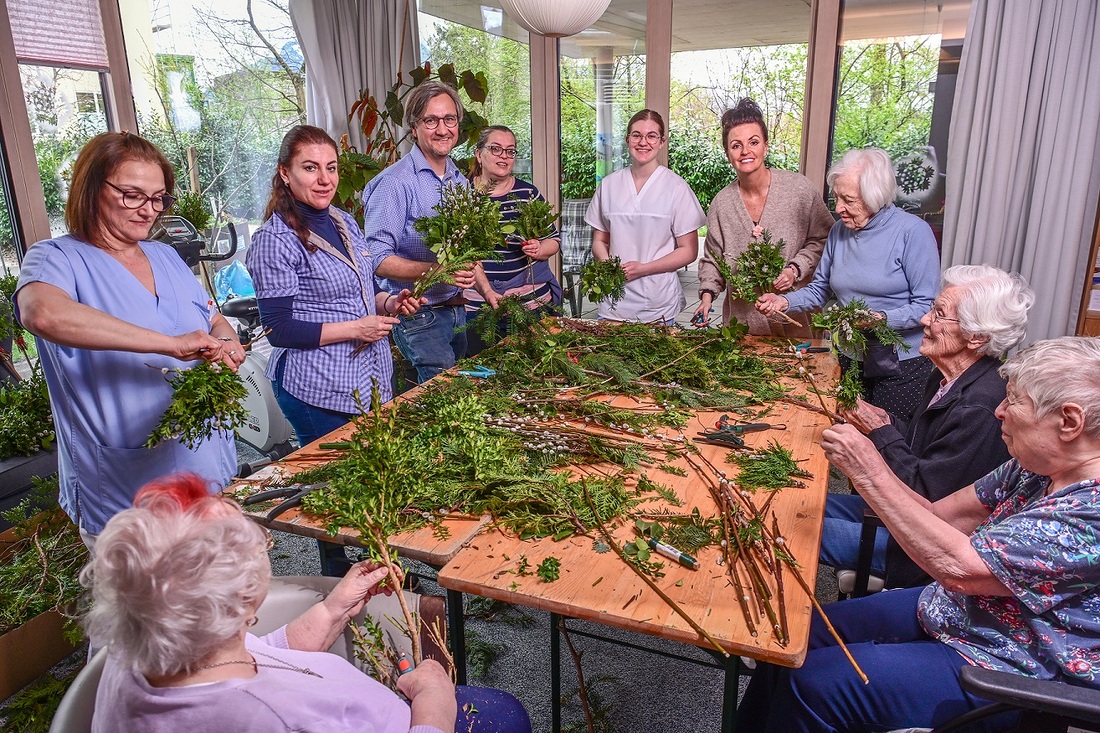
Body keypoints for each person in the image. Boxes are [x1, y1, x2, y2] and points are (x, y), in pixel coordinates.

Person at [739, 336, 1100, 733]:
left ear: (1069, 422)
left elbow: (961, 569)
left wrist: (868, 470)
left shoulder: (1088, 513)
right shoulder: (1034, 468)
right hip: (957, 611)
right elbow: (936, 514)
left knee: (812, 686)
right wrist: (871, 464)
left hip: (1010, 664)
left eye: (1013, 401)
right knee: (790, 640)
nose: (999, 411)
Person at [83, 473, 532, 733]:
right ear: (243, 598)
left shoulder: (152, 639)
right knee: (506, 714)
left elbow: (264, 655)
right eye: (261, 548)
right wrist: (432, 703)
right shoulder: (271, 720)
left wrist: (333, 610)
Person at [13, 131, 238, 539]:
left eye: (158, 198)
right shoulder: (56, 258)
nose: (148, 210)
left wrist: (226, 341)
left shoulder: (166, 255)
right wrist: (171, 345)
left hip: (204, 471)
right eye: (132, 195)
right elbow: (42, 313)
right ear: (92, 189)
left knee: (224, 598)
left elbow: (210, 316)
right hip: (125, 488)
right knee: (146, 603)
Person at [821, 264, 1034, 587]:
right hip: (897, 511)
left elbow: (927, 495)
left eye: (938, 313)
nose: (924, 321)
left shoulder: (980, 406)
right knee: (803, 501)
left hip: (913, 547)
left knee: (790, 525)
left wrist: (879, 432)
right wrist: (884, 421)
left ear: (976, 337)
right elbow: (923, 447)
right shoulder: (946, 376)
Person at [247, 125, 421, 447]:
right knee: (334, 487)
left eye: (331, 167)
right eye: (310, 168)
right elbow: (279, 330)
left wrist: (389, 302)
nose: (325, 179)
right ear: (285, 173)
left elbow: (364, 286)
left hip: (369, 379)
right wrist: (356, 329)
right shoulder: (274, 240)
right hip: (319, 390)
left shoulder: (344, 221)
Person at [756, 147, 940, 422]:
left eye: (848, 199)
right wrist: (784, 301)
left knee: (887, 440)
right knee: (849, 433)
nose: (838, 207)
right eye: (837, 197)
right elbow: (820, 289)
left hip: (902, 365)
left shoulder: (912, 233)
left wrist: (880, 319)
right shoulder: (839, 231)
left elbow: (927, 306)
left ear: (874, 197)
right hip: (851, 356)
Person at [363, 82, 480, 384]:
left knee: (460, 398)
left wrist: (473, 273)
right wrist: (438, 271)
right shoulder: (394, 183)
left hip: (456, 311)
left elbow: (462, 247)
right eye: (431, 120)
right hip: (418, 315)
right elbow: (376, 259)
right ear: (414, 127)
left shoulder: (459, 181)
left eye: (449, 119)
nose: (442, 129)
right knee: (446, 400)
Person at [694, 98, 833, 336]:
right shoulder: (722, 203)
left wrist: (795, 269)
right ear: (728, 153)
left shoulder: (799, 190)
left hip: (797, 320)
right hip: (745, 324)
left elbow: (825, 238)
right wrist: (706, 297)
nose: (746, 151)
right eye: (736, 145)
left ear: (765, 146)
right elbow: (713, 260)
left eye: (754, 142)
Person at [585, 109, 706, 324]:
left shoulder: (676, 188)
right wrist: (608, 265)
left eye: (651, 136)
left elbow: (689, 251)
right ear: (627, 139)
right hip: (613, 300)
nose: (643, 142)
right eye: (637, 135)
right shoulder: (609, 185)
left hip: (657, 302)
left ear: (661, 142)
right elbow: (599, 240)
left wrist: (643, 269)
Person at [465, 125, 562, 355]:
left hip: (532, 306)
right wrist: (487, 291)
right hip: (478, 311)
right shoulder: (463, 196)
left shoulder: (528, 194)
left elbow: (554, 241)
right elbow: (460, 256)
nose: (504, 157)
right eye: (496, 149)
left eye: (510, 151)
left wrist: (539, 248)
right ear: (479, 154)